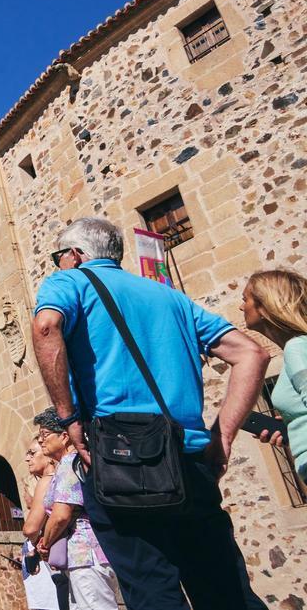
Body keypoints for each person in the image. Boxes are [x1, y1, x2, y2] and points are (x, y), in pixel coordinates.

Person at [32, 217, 271, 610]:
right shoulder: (169, 297)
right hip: (189, 460)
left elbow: (46, 327)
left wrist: (69, 417)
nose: (59, 263)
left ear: (75, 254)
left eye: (60, 256)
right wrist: (222, 436)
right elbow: (251, 353)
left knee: (152, 592)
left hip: (117, 461)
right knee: (226, 592)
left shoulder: (68, 281)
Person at [32, 408, 117, 609]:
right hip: (84, 556)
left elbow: (62, 515)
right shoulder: (72, 463)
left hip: (85, 555)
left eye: (45, 435)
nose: (41, 440)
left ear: (64, 437)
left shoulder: (69, 464)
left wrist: (45, 542)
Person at [241, 269, 307, 480]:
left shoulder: (296, 348)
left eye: (246, 299)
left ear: (264, 306)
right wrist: (293, 424)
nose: (241, 306)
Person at [20, 438, 62, 610]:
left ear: (48, 456)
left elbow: (30, 529)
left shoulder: (47, 481)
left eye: (32, 453)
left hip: (52, 563)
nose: (27, 459)